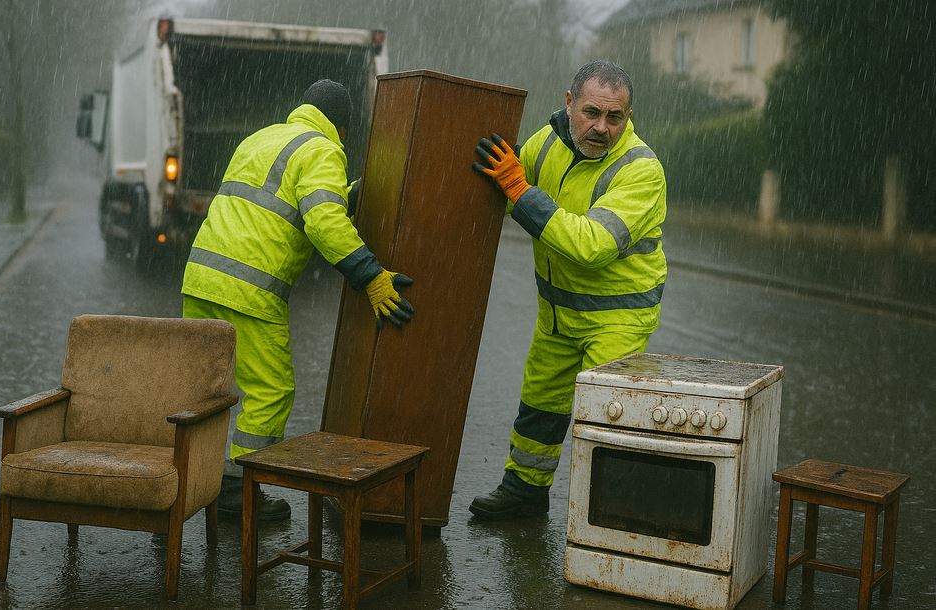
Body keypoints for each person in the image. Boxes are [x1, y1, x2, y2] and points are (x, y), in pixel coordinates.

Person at [181, 79, 414, 522]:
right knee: (270, 392)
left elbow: (284, 200)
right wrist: (369, 276)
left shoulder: (263, 137)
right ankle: (236, 495)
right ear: (342, 127)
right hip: (249, 289)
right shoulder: (325, 150)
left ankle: (184, 484)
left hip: (200, 278)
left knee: (201, 390)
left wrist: (346, 194)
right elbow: (323, 221)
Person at [469, 60, 667, 520]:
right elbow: (503, 187)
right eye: (591, 112)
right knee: (540, 404)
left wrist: (520, 192)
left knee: (606, 418)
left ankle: (609, 518)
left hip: (618, 317)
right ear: (568, 103)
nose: (601, 127)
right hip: (558, 313)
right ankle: (524, 492)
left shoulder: (641, 169)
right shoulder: (548, 143)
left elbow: (592, 246)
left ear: (628, 116)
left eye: (614, 117)